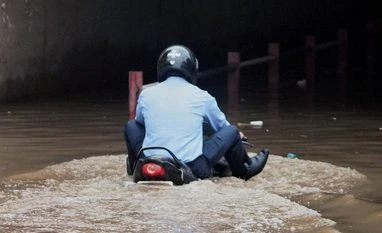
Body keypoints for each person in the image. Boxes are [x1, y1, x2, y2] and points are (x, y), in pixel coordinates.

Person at [124, 45, 269, 181]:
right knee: (231, 131)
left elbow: (140, 123)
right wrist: (240, 135)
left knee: (131, 125)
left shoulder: (146, 95)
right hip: (192, 168)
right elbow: (223, 127)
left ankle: (133, 167)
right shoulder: (203, 96)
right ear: (192, 71)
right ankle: (244, 170)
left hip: (150, 162)